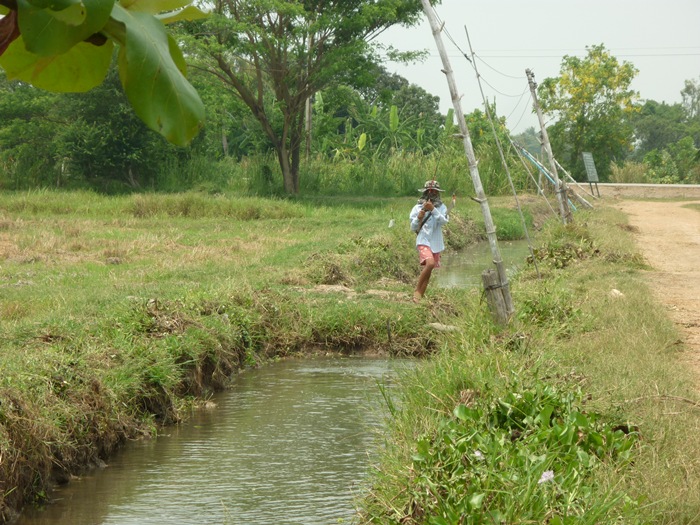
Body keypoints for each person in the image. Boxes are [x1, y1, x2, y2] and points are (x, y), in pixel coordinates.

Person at [409, 180, 450, 303]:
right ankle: (417, 291)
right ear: (425, 192)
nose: (431, 194)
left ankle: (420, 295)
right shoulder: (417, 208)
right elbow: (413, 227)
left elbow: (444, 221)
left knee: (429, 269)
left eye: (434, 192)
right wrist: (419, 217)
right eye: (429, 191)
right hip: (423, 240)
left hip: (436, 244)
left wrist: (433, 209)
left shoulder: (442, 207)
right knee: (430, 263)